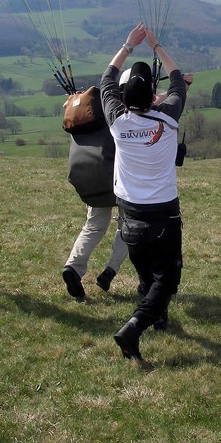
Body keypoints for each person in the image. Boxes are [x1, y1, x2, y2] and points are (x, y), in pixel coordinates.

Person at [100, 22, 187, 361]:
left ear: (123, 99)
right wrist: (157, 46)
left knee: (146, 271)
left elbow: (107, 80)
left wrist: (127, 45)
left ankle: (158, 316)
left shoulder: (117, 121)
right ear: (154, 96)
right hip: (163, 211)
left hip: (129, 211)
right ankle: (134, 327)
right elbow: (178, 80)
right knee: (167, 277)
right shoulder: (168, 119)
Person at [61, 102, 129, 302]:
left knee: (93, 226)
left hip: (91, 177)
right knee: (127, 226)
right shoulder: (124, 111)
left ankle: (73, 266)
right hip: (120, 179)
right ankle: (110, 270)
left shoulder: (88, 113)